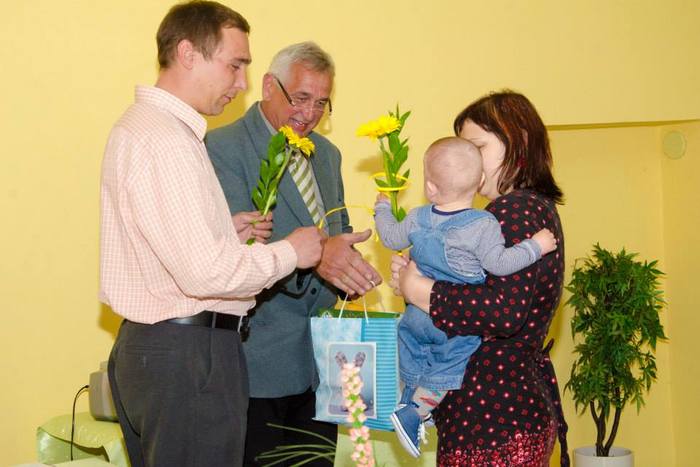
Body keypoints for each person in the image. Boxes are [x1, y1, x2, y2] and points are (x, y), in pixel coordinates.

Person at [100, 3, 325, 466]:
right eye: (235, 65)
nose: (242, 83)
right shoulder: (167, 140)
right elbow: (205, 273)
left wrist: (224, 233)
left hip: (160, 351)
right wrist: (291, 252)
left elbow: (172, 250)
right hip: (189, 355)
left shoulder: (146, 128)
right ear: (188, 53)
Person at [206, 41, 382, 466]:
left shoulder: (327, 155)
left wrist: (349, 269)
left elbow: (335, 233)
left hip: (321, 367)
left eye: (322, 103)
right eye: (300, 97)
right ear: (269, 86)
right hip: (257, 360)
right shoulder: (222, 147)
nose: (310, 113)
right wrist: (321, 256)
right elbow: (233, 253)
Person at [390, 91, 570, 466]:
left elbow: (502, 313)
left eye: (477, 146)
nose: (467, 159)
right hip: (498, 415)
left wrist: (419, 289)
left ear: (518, 141)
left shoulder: (513, 211)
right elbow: (482, 295)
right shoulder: (526, 208)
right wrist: (417, 278)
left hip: (494, 420)